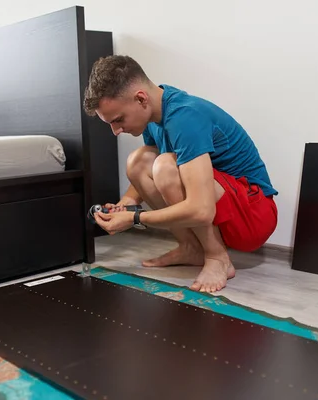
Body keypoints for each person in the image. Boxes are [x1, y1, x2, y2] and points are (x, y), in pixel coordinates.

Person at [83, 55, 278, 293]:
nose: (115, 131)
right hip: (225, 205)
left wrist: (135, 218)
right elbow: (145, 170)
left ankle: (217, 258)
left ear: (141, 98)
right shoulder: (155, 114)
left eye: (118, 120)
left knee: (165, 166)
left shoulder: (185, 117)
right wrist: (127, 204)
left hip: (254, 216)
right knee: (139, 160)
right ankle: (191, 247)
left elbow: (201, 209)